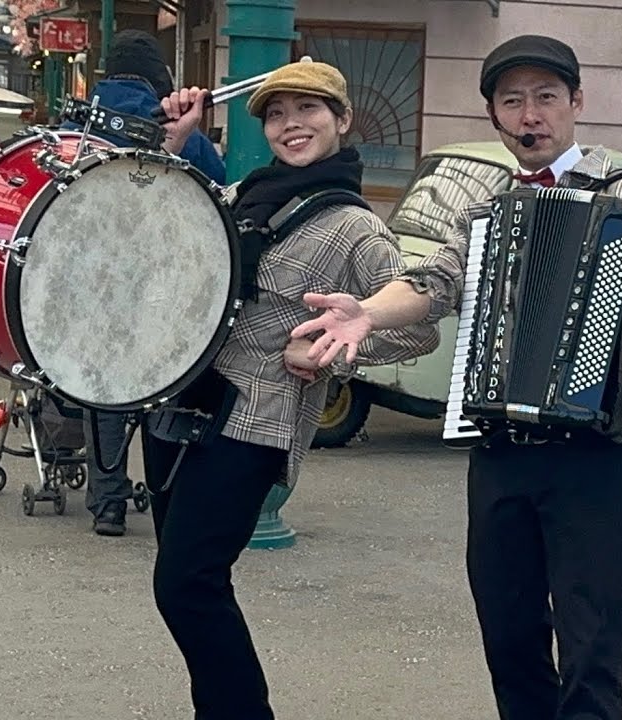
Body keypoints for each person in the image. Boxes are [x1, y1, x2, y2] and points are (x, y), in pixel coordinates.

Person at [290, 34, 622, 720]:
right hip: (503, 449)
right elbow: (433, 284)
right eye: (512, 101)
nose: (531, 115)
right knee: (509, 634)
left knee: (592, 648)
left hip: (603, 454)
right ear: (495, 116)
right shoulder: (488, 211)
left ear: (576, 103)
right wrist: (366, 314)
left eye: (546, 98)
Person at [144, 61, 439, 720]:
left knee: (185, 583)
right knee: (190, 580)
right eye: (277, 114)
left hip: (254, 421)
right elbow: (165, 226)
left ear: (341, 120)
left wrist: (330, 353)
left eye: (307, 110)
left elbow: (418, 328)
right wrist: (175, 142)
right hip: (183, 401)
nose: (290, 125)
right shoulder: (252, 189)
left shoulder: (356, 228)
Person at [61, 29, 226, 536]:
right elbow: (219, 194)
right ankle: (162, 491)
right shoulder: (183, 133)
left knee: (105, 391)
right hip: (165, 283)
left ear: (105, 76)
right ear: (160, 79)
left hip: (95, 280)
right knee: (160, 384)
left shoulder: (75, 128)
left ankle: (107, 501)